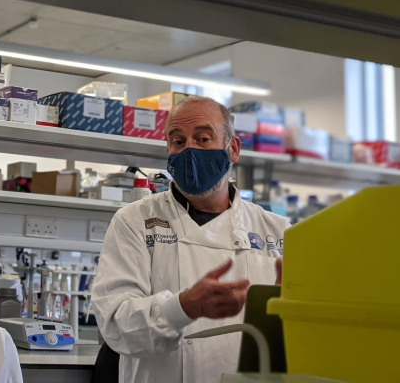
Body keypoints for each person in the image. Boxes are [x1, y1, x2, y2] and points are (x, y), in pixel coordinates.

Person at [92, 96, 286, 383]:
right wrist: (183, 307)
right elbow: (116, 325)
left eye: (203, 138)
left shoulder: (278, 232)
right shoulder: (135, 220)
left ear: (232, 149)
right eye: (178, 141)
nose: (189, 151)